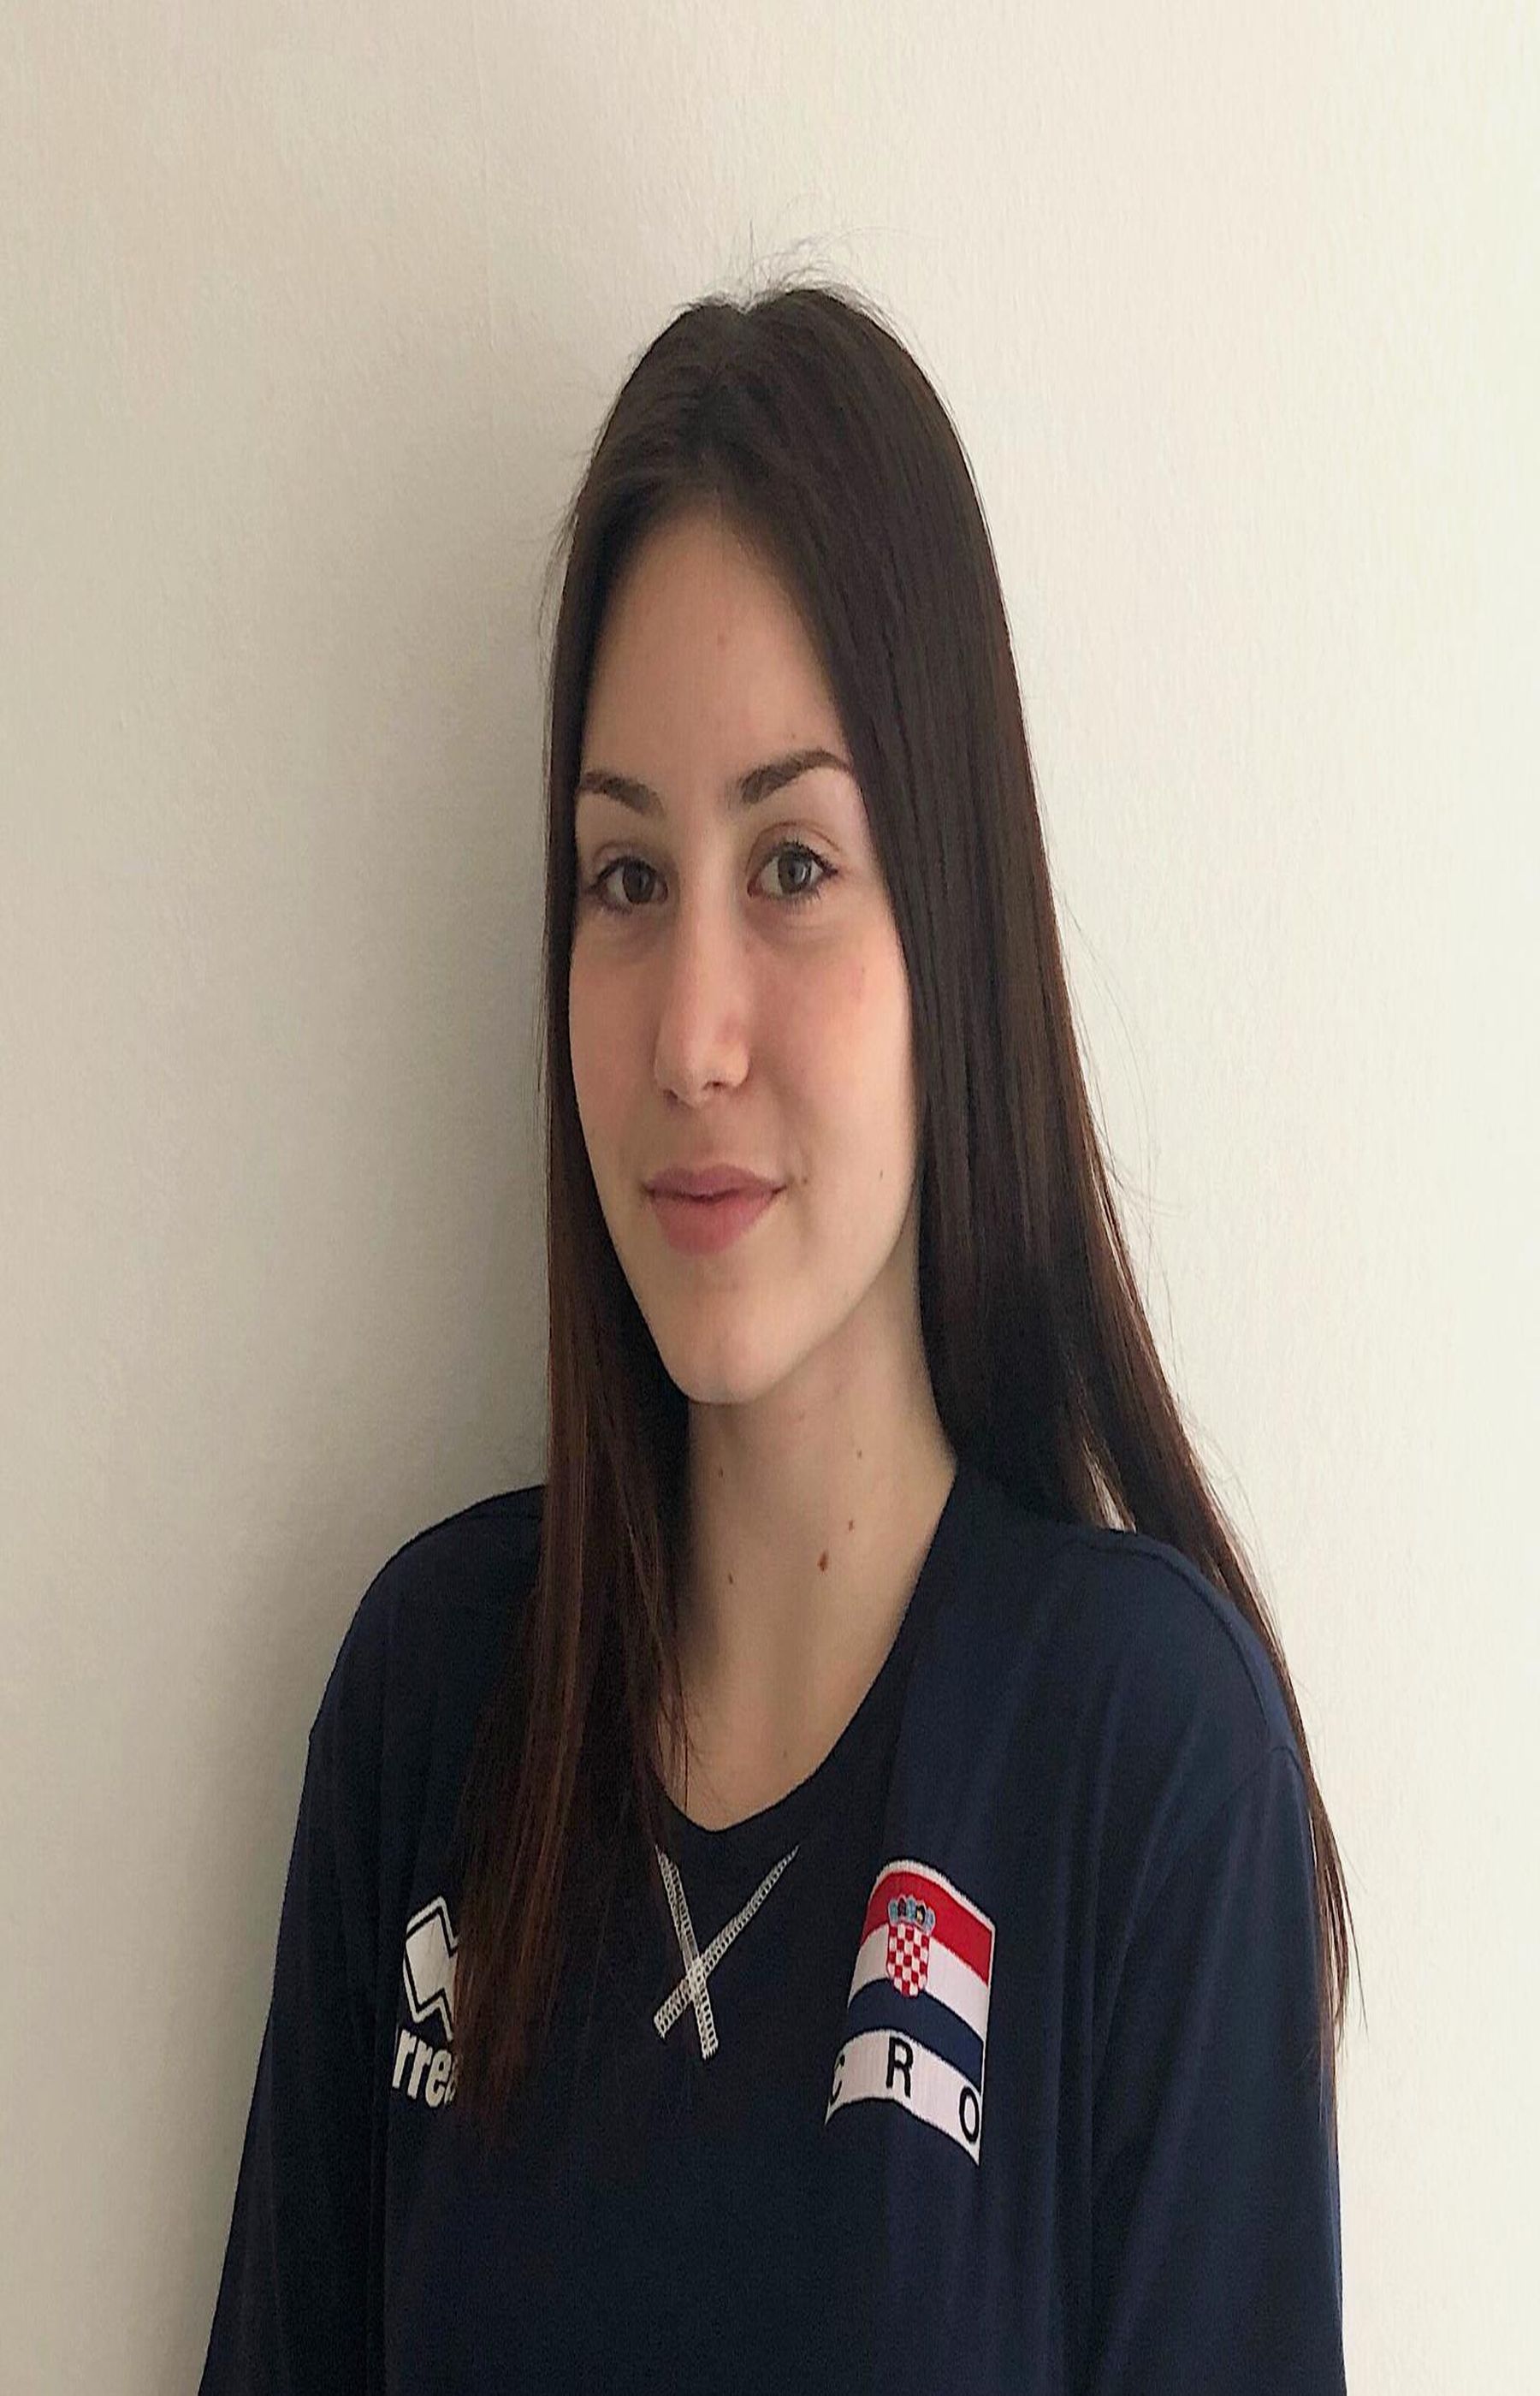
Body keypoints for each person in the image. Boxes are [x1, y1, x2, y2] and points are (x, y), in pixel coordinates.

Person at [198, 278, 1354, 2393]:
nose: (691, 1034)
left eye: (795, 861)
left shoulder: (1140, 1758)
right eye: (625, 878)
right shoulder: (426, 1703)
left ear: (953, 931)